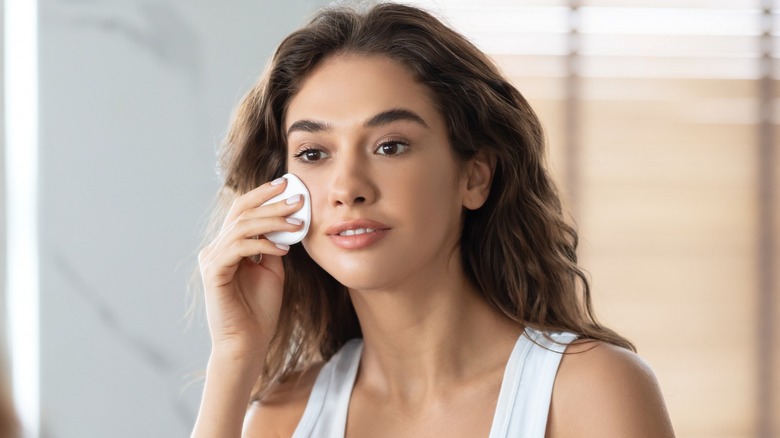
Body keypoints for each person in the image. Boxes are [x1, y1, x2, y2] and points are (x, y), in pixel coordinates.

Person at [192, 3, 675, 437]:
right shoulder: (286, 415)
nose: (346, 188)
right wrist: (235, 358)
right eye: (314, 152)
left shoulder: (590, 392)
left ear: (474, 177)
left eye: (390, 146)